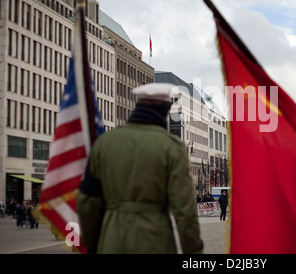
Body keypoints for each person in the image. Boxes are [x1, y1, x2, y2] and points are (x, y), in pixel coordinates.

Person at [77, 83, 203, 254]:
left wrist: (91, 245)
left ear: (138, 106)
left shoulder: (104, 143)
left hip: (111, 240)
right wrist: (193, 251)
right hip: (155, 240)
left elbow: (87, 201)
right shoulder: (172, 147)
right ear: (165, 109)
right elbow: (185, 211)